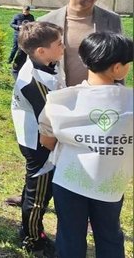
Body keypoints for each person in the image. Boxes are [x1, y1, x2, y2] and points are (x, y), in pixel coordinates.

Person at [38, 32, 133, 258]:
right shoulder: (129, 101)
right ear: (118, 68)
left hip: (69, 180)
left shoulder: (61, 100)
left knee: (70, 235)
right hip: (111, 183)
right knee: (109, 234)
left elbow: (47, 141)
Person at [10, 21, 65, 256]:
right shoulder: (34, 82)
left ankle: (29, 226)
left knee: (34, 185)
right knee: (39, 194)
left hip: (35, 138)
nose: (64, 46)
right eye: (59, 43)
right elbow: (50, 121)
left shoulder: (43, 64)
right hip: (39, 143)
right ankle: (32, 238)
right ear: (41, 51)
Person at [38, 0, 122, 87]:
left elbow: (119, 65)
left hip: (100, 100)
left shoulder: (112, 20)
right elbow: (37, 67)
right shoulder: (46, 22)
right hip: (60, 99)